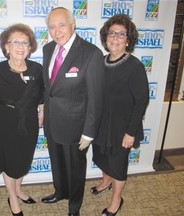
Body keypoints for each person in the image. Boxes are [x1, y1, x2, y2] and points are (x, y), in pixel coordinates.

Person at [41, 7, 105, 216]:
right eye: (52, 26)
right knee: (56, 162)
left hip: (76, 127)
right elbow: (49, 89)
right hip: (52, 122)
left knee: (75, 169)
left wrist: (89, 132)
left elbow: (96, 97)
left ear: (73, 24)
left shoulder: (91, 53)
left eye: (61, 25)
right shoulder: (48, 49)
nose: (57, 31)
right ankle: (61, 191)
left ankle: (74, 206)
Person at [91, 14, 149, 216]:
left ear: (128, 39)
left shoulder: (134, 66)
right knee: (102, 158)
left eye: (121, 34)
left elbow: (141, 101)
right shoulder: (100, 61)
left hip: (122, 126)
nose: (115, 38)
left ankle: (116, 200)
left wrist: (130, 132)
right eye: (112, 33)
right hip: (100, 123)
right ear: (106, 37)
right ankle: (105, 181)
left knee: (117, 165)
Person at [0, 23, 44, 216]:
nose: (20, 46)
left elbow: (42, 95)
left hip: (29, 120)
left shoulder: (37, 69)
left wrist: (42, 112)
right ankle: (12, 197)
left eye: (25, 43)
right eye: (15, 42)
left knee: (23, 159)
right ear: (6, 46)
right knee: (10, 161)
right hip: (6, 121)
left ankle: (18, 189)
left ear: (30, 47)